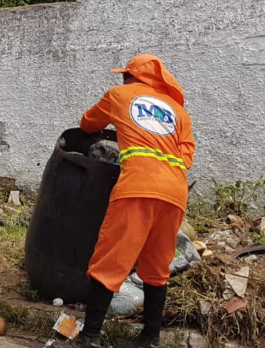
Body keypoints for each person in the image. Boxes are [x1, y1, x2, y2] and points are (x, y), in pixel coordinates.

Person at [76, 54, 196, 347]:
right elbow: (188, 156)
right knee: (157, 265)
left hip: (137, 187)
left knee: (112, 259)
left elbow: (88, 123)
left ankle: (90, 336)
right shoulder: (179, 112)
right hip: (175, 193)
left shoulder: (120, 94)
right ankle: (150, 338)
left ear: (129, 77)